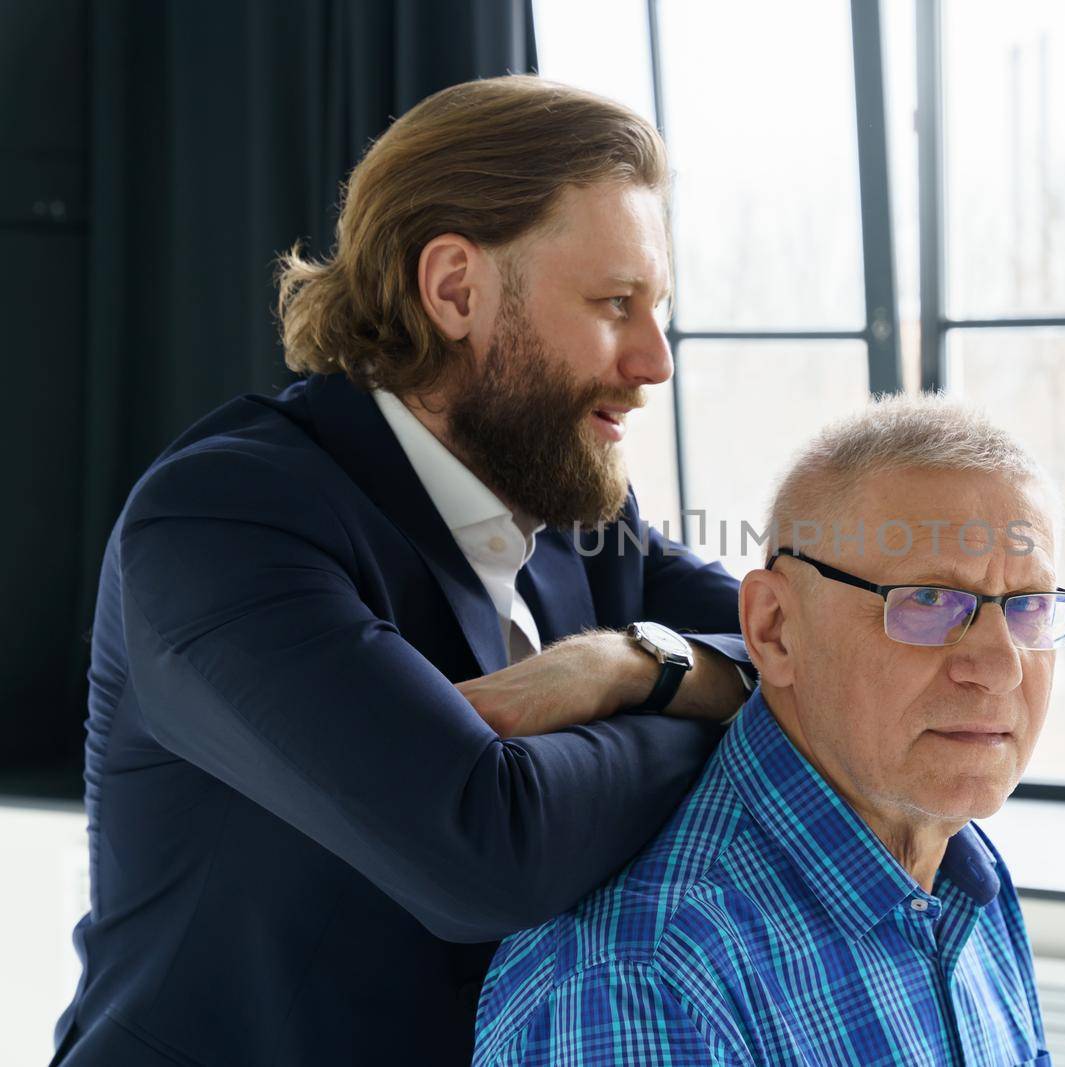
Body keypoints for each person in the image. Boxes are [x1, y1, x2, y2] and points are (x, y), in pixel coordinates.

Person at [51, 75, 753, 1067]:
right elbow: (487, 852)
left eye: (659, 309)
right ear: (455, 287)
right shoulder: (219, 520)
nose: (653, 360)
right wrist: (711, 705)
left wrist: (635, 668)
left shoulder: (572, 499)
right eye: (614, 304)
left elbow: (811, 647)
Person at [474, 394, 1065, 1066]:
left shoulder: (967, 871)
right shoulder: (643, 986)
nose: (1001, 667)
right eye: (930, 600)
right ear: (773, 628)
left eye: (1030, 606)